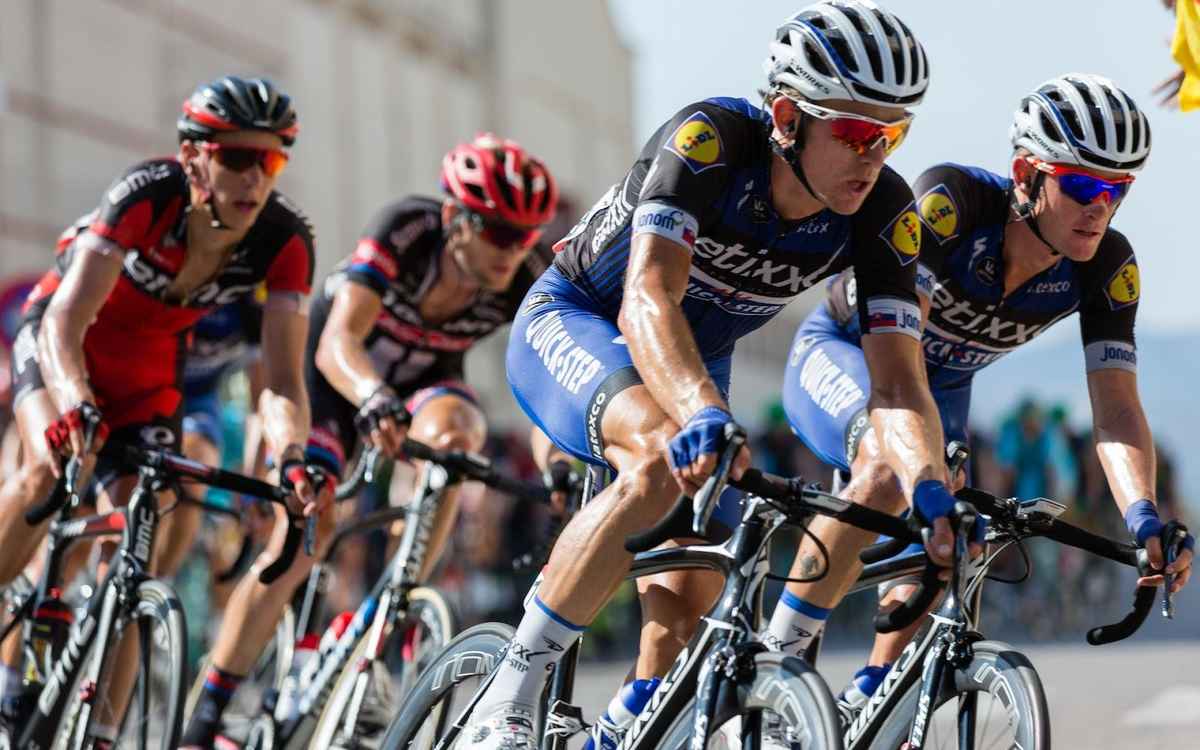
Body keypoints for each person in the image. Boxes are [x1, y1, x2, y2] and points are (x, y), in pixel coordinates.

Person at [484, 3, 971, 748]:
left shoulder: (885, 212)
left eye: (892, 133)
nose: (874, 156)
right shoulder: (710, 142)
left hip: (692, 363)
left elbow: (901, 387)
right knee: (652, 461)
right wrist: (702, 412)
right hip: (587, 317)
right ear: (786, 115)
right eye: (854, 132)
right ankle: (505, 698)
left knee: (683, 614)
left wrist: (928, 485)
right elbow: (648, 296)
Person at [777, 72, 1194, 714]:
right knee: (893, 468)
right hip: (851, 354)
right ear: (1026, 175)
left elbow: (1116, 410)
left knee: (954, 537)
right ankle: (780, 658)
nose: (1100, 206)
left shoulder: (1109, 265)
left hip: (942, 389)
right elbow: (896, 364)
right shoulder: (953, 204)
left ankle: (869, 696)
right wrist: (928, 460)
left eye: (1118, 189)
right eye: (1082, 184)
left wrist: (1143, 515)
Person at [181, 133, 572, 749]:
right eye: (496, 231)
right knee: (306, 532)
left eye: (525, 235)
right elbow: (340, 340)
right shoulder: (407, 231)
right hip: (337, 379)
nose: (512, 249)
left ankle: (397, 595)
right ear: (455, 219)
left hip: (426, 383)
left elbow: (547, 384)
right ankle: (208, 714)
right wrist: (371, 398)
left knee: (459, 438)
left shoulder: (522, 274)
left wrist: (558, 465)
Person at [0, 76, 327, 743]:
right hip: (68, 347)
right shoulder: (146, 195)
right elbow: (65, 320)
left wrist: (291, 458)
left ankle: (101, 731)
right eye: (236, 157)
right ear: (193, 157)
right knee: (46, 467)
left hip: (149, 373)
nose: (252, 178)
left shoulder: (284, 241)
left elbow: (283, 384)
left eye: (269, 160)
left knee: (147, 528)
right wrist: (73, 402)